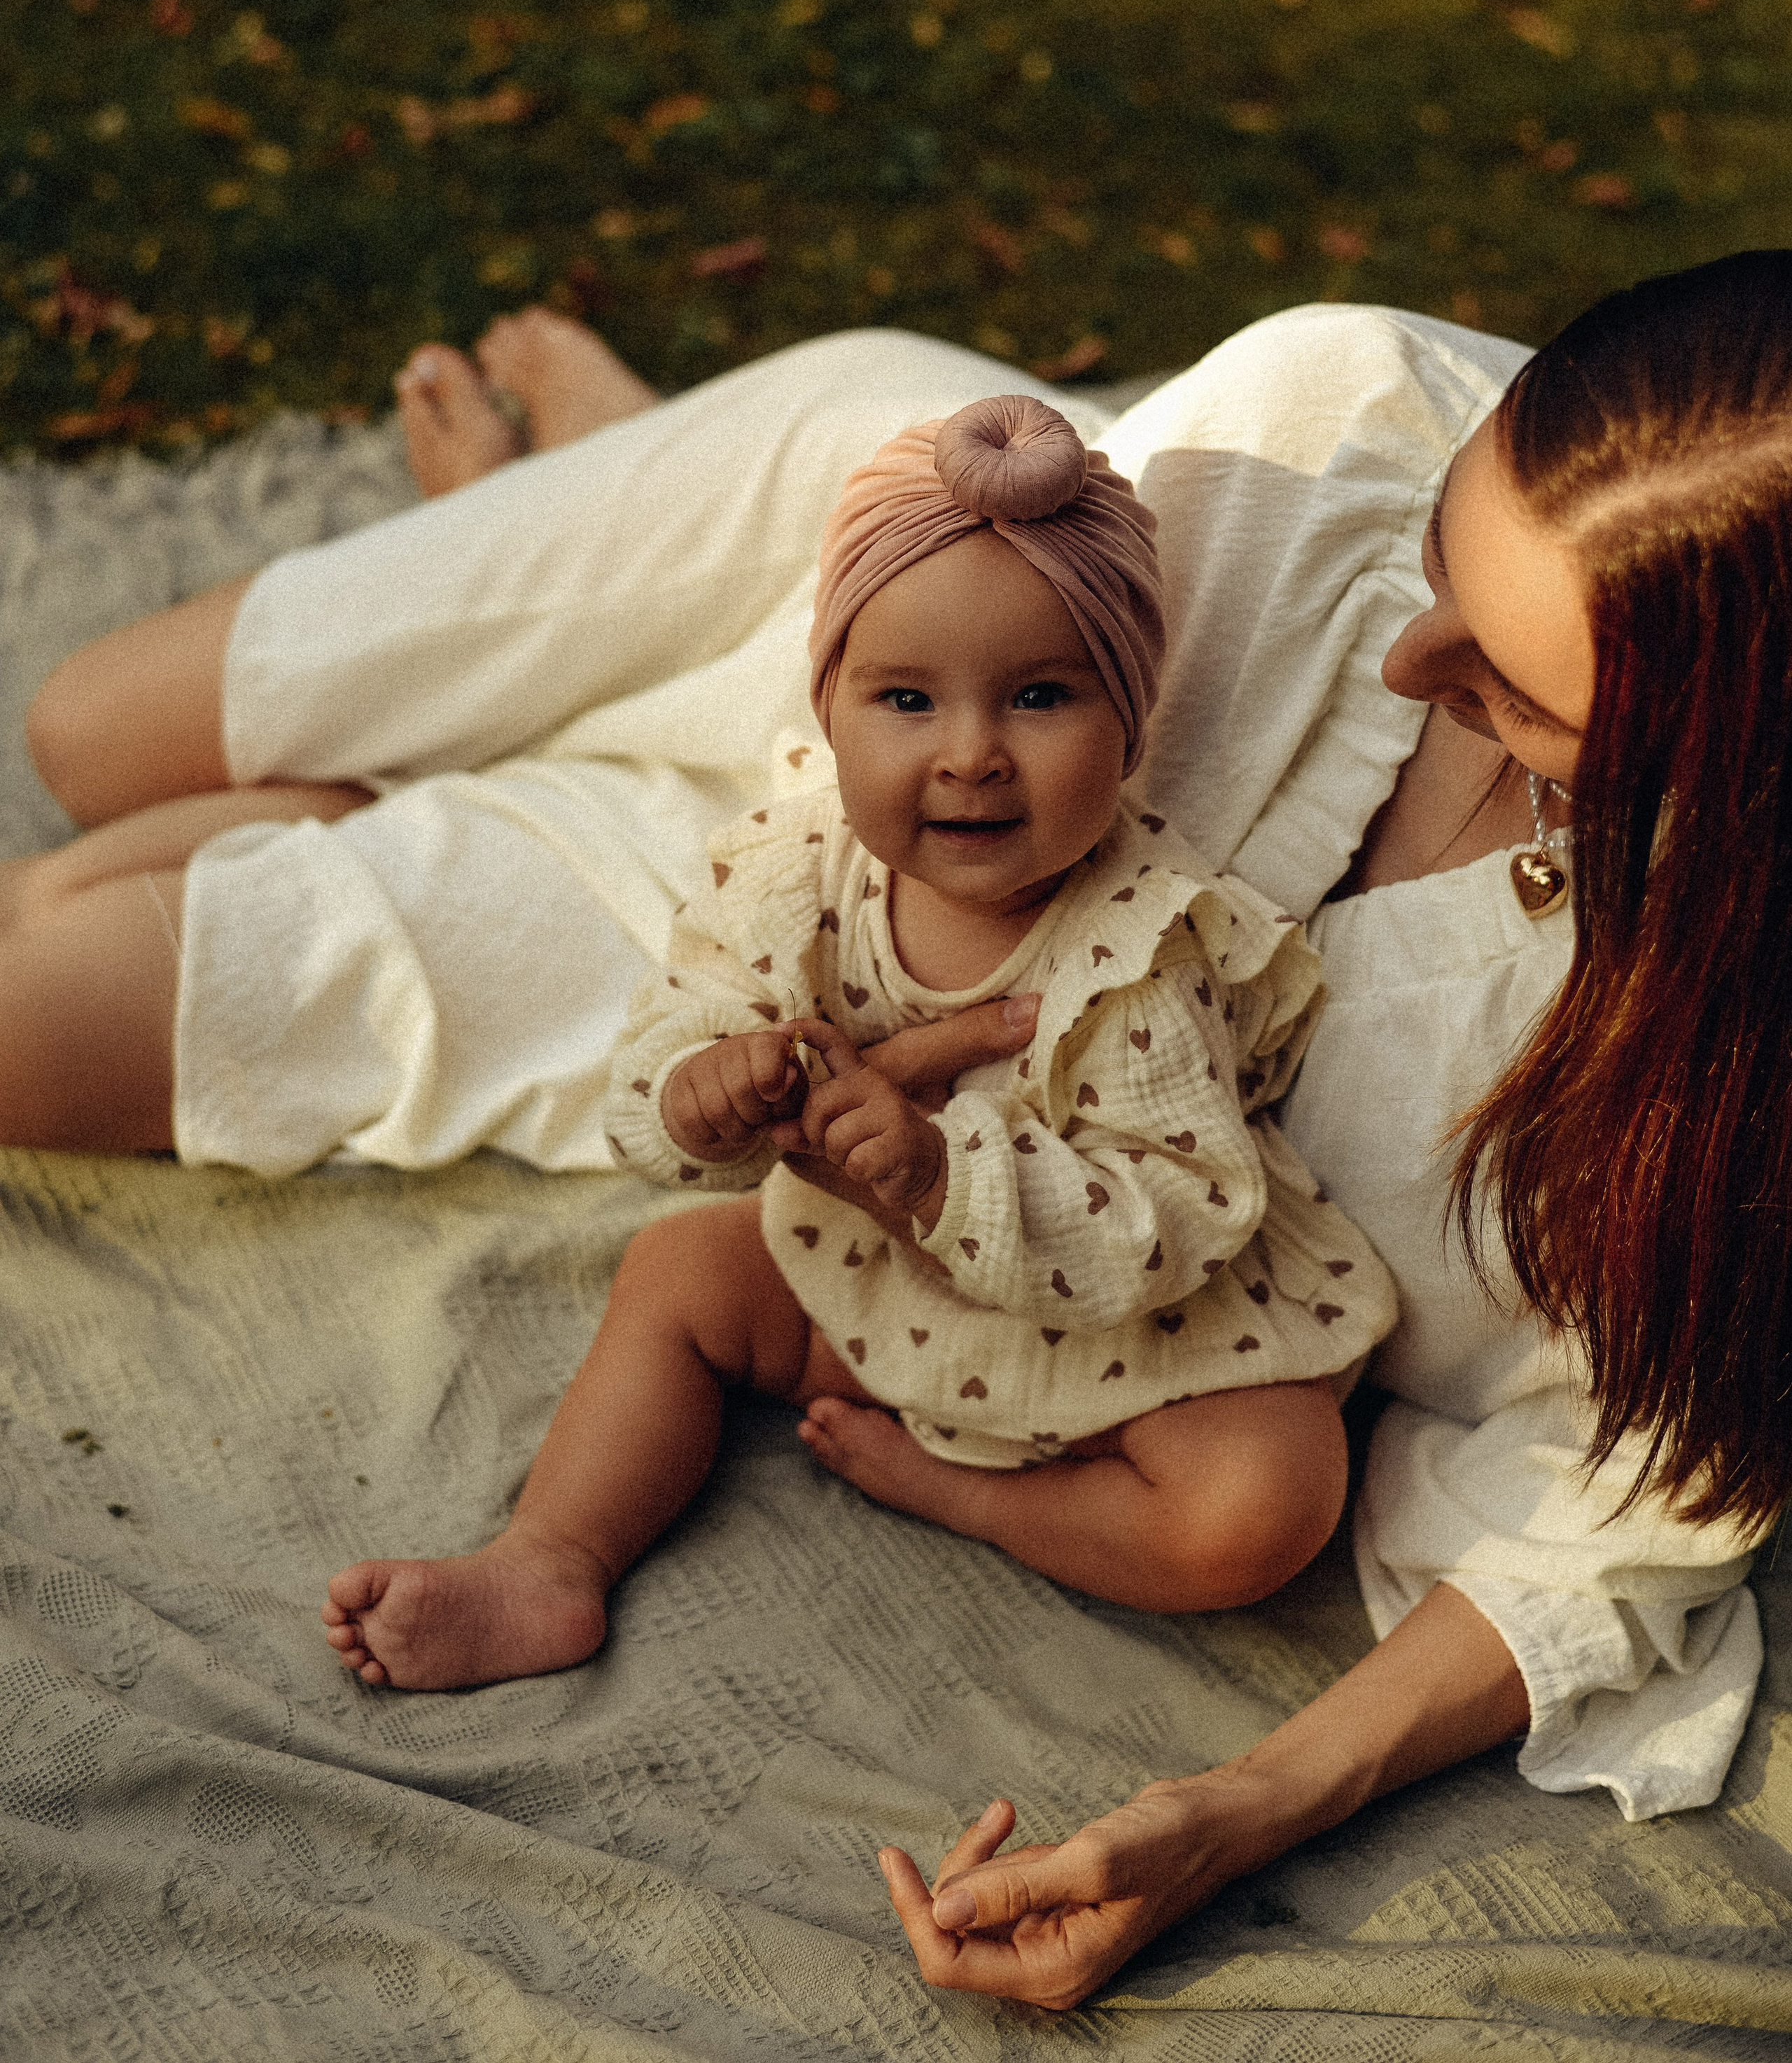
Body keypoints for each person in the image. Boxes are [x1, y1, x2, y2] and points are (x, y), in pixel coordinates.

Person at [12, 258, 1788, 2010]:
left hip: (841, 1017)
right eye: (1438, 563)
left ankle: (455, 748)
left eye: (1510, 696)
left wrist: (1226, 1816)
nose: (1411, 662)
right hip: (854, 772)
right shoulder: (1350, 413)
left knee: (43, 1001)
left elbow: (1612, 1509)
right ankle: (583, 557)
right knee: (90, 735)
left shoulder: (1727, 1099)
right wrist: (822, 1003)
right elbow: (911, 732)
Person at [316, 396, 1396, 1689]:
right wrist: (702, 1091)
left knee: (1265, 1506)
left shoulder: (1141, 946)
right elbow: (687, 1023)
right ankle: (547, 1561)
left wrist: (941, 1172)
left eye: (1041, 697)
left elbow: (1173, 1213)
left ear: (1134, 721)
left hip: (1142, 1342)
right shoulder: (801, 868)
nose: (972, 756)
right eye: (906, 699)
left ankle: (977, 1500)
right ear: (831, 707)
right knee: (676, 1277)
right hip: (875, 1288)